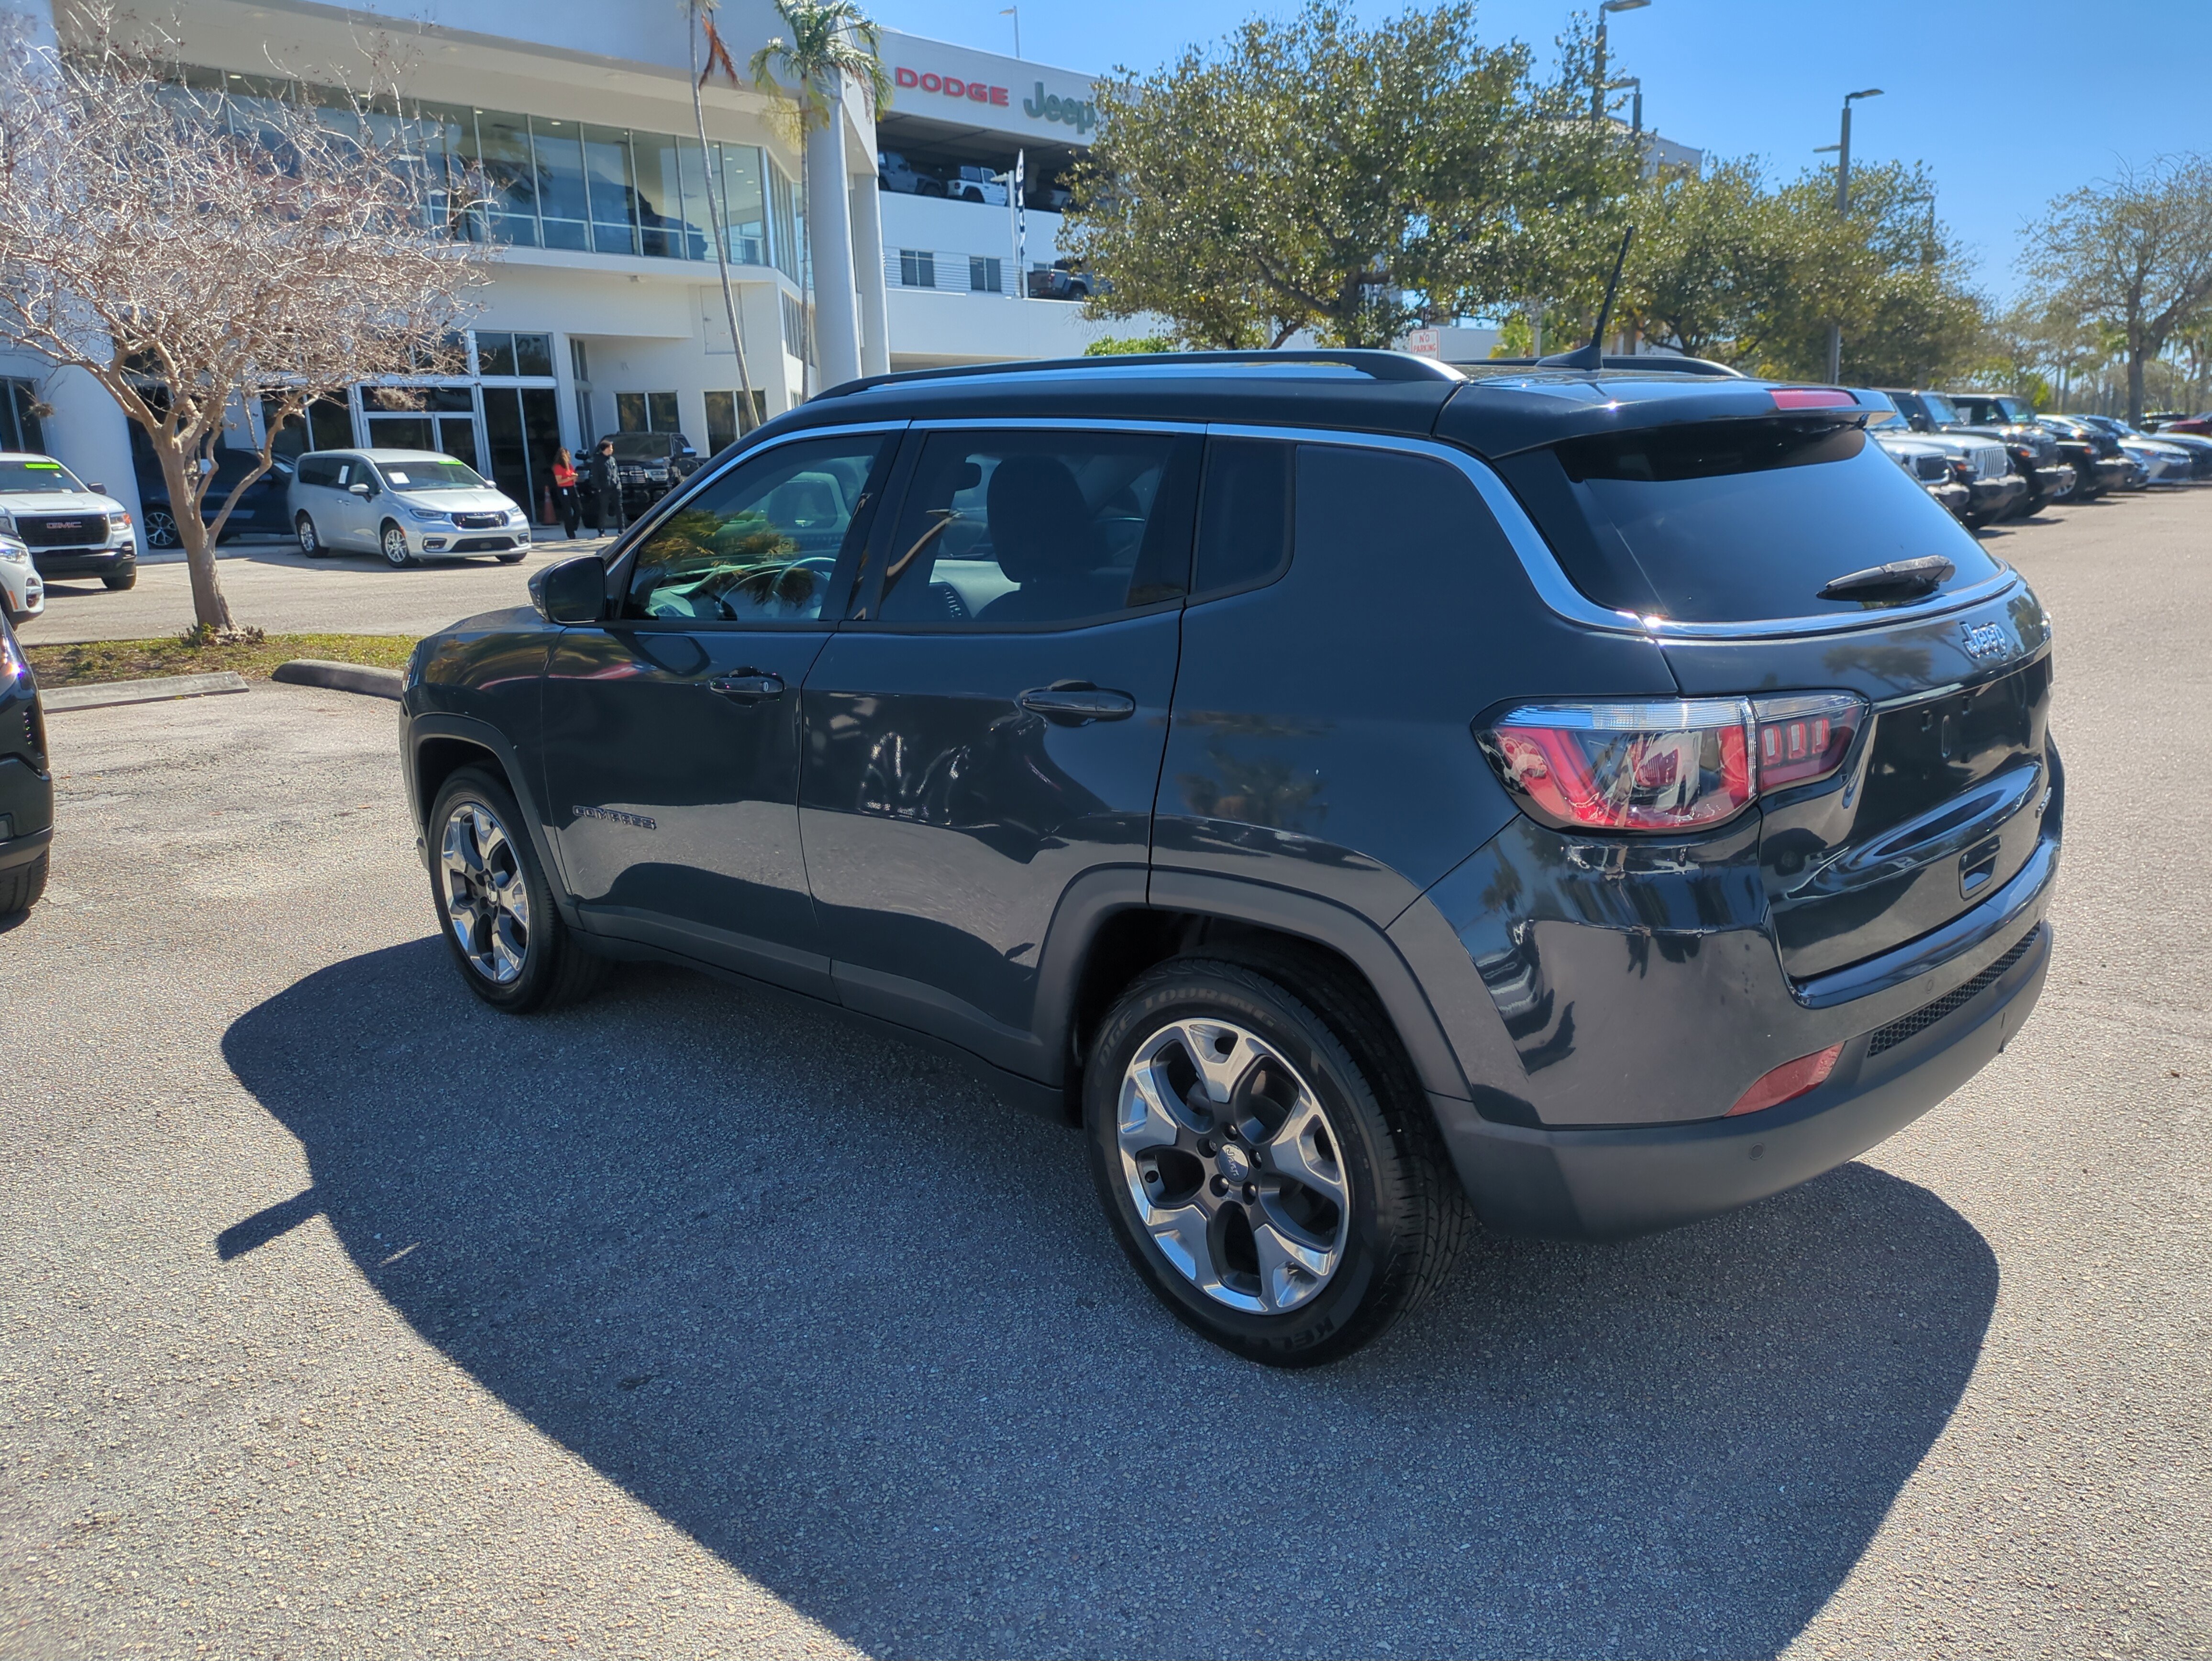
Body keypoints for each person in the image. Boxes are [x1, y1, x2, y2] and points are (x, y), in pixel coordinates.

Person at [587, 438, 626, 538]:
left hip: (615, 488)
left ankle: (622, 529)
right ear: (604, 449)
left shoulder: (613, 460)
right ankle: (601, 530)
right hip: (604, 489)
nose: (612, 450)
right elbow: (594, 476)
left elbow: (616, 472)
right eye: (610, 449)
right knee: (604, 509)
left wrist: (618, 484)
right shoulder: (598, 461)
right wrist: (598, 488)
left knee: (619, 508)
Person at [549, 447, 581, 540]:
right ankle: (570, 533)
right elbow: (559, 481)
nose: (570, 456)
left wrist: (575, 477)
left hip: (572, 488)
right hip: (563, 489)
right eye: (568, 455)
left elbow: (573, 476)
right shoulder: (558, 467)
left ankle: (574, 525)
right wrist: (571, 478)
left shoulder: (570, 466)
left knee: (578, 509)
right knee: (567, 511)